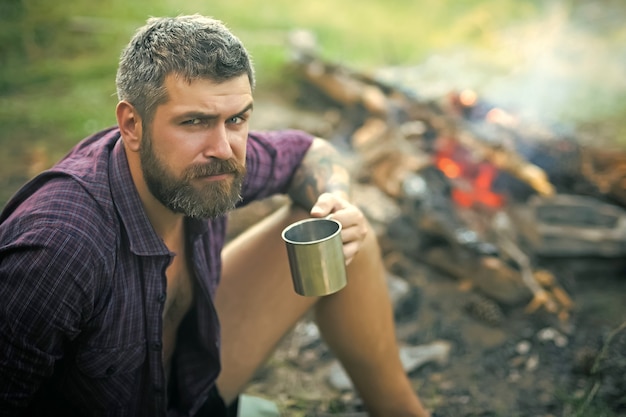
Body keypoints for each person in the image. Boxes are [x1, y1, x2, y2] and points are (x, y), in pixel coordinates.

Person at [0, 14, 432, 417]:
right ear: (132, 124)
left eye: (237, 119)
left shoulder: (207, 165)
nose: (223, 149)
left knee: (345, 237)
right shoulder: (58, 246)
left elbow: (309, 151)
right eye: (194, 122)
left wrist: (337, 200)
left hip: (190, 389)